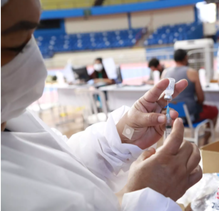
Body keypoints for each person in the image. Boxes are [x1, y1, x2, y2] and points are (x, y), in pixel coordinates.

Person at [1, 1, 202, 210]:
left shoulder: (12, 114)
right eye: (17, 45)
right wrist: (147, 198)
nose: (36, 58)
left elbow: (63, 162)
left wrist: (122, 135)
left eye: (33, 36)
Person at [162, 49, 219, 146]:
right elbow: (201, 98)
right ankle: (205, 141)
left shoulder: (165, 73)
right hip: (190, 115)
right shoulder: (192, 72)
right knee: (214, 110)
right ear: (185, 58)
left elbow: (163, 96)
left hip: (171, 115)